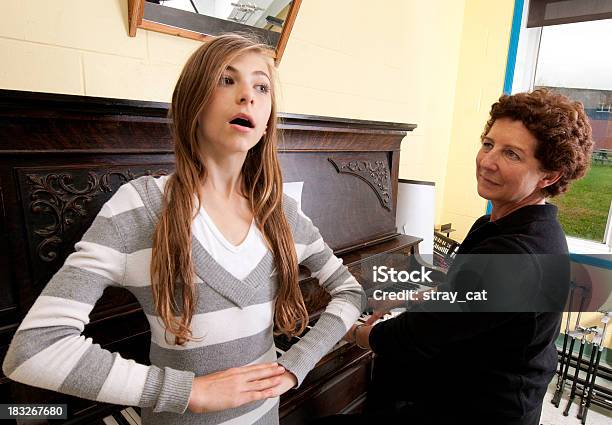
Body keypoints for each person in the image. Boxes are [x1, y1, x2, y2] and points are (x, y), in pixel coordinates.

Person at [2, 34, 366, 425]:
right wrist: (188, 392)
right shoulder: (140, 207)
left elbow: (350, 291)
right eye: (227, 80)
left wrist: (297, 364)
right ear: (192, 101)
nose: (249, 96)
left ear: (267, 123)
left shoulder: (283, 215)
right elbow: (33, 351)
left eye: (261, 86)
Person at [319, 89, 594, 425]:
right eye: (489, 144)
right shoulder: (505, 223)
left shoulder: (516, 255)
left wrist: (344, 327)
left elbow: (407, 339)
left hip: (481, 409)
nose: (488, 161)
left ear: (548, 176)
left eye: (512, 154)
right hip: (473, 384)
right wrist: (408, 297)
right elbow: (462, 298)